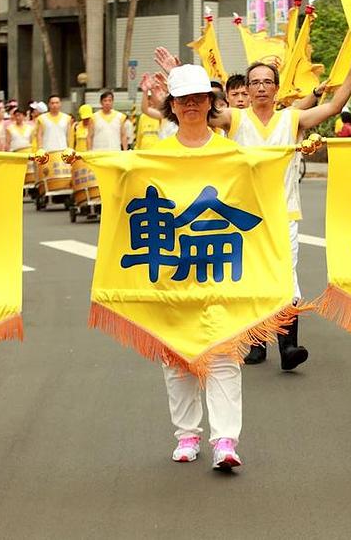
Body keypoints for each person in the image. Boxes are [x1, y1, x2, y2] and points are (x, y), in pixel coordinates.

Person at [208, 52, 351, 369]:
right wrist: (176, 82)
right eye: (255, 83)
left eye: (267, 82)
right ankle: (255, 342)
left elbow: (333, 108)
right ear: (246, 90)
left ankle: (288, 346)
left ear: (277, 88)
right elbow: (196, 116)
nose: (261, 88)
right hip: (246, 218)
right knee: (252, 278)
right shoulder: (233, 119)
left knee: (284, 275)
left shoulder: (291, 119)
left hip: (284, 214)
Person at [154, 64, 246, 471]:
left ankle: (225, 439)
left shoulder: (231, 152)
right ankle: (187, 434)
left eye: (199, 98)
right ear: (172, 105)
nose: (192, 105)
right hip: (173, 268)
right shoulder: (155, 155)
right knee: (177, 357)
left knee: (224, 353)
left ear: (211, 102)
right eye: (183, 99)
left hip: (221, 265)